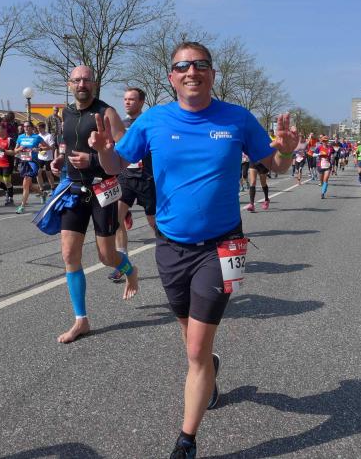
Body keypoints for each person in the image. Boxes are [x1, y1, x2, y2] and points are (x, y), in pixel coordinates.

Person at [89, 41, 298, 459]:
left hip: (223, 246)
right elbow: (116, 167)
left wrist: (288, 150)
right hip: (170, 246)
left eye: (200, 65)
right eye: (183, 66)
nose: (192, 71)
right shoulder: (153, 120)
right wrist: (104, 152)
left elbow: (274, 165)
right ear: (172, 77)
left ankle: (186, 441)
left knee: (197, 348)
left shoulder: (237, 118)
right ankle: (208, 372)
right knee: (190, 339)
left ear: (212, 74)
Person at [49, 64, 140, 344]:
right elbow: (69, 145)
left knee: (107, 257)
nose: (81, 84)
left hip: (103, 188)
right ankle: (81, 320)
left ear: (94, 84)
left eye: (86, 80)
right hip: (74, 190)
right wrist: (60, 161)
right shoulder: (65, 113)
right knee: (69, 255)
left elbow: (124, 156)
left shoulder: (107, 113)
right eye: (76, 80)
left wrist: (93, 159)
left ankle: (130, 270)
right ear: (69, 84)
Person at [108, 87, 157, 283]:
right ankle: (123, 264)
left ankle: (173, 254)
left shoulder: (149, 123)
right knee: (116, 218)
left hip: (147, 179)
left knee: (154, 223)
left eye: (132, 99)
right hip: (126, 177)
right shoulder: (120, 125)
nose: (127, 102)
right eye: (125, 99)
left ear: (141, 102)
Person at [13, 121, 48, 214]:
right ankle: (42, 193)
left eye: (28, 126)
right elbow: (15, 150)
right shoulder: (20, 137)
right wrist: (19, 149)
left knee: (25, 184)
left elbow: (48, 147)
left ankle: (22, 206)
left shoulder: (37, 137)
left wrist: (39, 149)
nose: (26, 128)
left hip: (33, 163)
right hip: (24, 162)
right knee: (29, 185)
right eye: (24, 126)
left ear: (32, 128)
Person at [0, 123, 16, 206]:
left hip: (7, 164)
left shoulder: (9, 140)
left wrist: (4, 151)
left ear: (5, 130)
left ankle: (10, 198)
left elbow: (13, 152)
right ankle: (7, 191)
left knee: (7, 181)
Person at [35, 121, 57, 193]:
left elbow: (52, 147)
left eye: (39, 128)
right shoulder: (37, 136)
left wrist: (41, 149)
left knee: (48, 173)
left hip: (48, 157)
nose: (38, 130)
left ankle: (53, 188)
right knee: (38, 173)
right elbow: (36, 146)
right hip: (40, 157)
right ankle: (41, 189)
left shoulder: (49, 136)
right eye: (37, 128)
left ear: (43, 128)